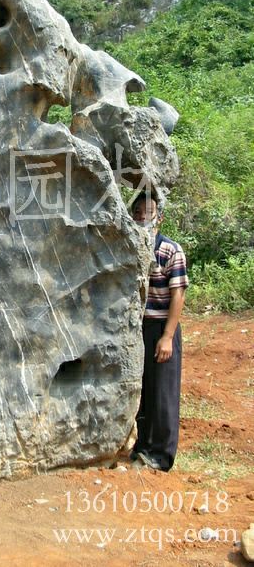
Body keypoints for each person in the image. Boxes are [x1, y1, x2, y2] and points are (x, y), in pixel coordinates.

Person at [130, 192, 189, 471]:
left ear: (159, 217)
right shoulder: (131, 247)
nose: (143, 217)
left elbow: (178, 294)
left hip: (162, 326)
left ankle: (162, 456)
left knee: (163, 392)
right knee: (144, 390)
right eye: (138, 212)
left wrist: (167, 336)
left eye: (149, 212)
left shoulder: (170, 250)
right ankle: (142, 448)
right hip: (138, 329)